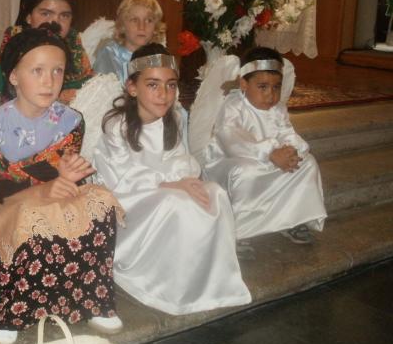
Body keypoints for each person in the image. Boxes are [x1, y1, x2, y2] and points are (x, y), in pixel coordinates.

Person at [0, 23, 124, 344]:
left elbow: (63, 174)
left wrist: (67, 176)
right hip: (4, 207)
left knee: (101, 202)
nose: (49, 81)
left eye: (57, 71)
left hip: (52, 196)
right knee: (31, 217)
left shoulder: (69, 120)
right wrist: (44, 188)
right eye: (37, 70)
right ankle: (9, 312)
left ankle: (92, 298)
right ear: (13, 76)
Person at [92, 44, 251, 315]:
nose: (164, 94)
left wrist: (179, 182)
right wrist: (170, 183)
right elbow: (121, 178)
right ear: (132, 87)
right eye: (153, 85)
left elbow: (182, 162)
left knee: (215, 193)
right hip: (128, 206)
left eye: (171, 85)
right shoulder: (117, 125)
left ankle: (211, 280)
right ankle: (168, 286)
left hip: (162, 192)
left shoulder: (172, 119)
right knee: (175, 203)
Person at [203, 47, 327, 243]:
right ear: (244, 83)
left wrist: (291, 150)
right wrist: (269, 152)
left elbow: (287, 132)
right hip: (233, 161)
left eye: (276, 87)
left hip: (270, 159)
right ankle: (240, 230)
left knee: (307, 163)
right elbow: (232, 141)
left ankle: (292, 219)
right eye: (262, 87)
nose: (271, 95)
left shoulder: (278, 109)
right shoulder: (233, 106)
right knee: (245, 172)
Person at [0, 0, 93, 106]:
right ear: (28, 17)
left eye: (64, 15)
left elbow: (89, 86)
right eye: (46, 14)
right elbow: (0, 96)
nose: (55, 22)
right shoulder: (15, 42)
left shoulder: (73, 41)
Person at [93, 0, 166, 84]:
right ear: (122, 25)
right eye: (134, 20)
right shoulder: (109, 54)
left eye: (148, 20)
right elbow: (99, 89)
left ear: (155, 27)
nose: (142, 27)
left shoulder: (157, 57)